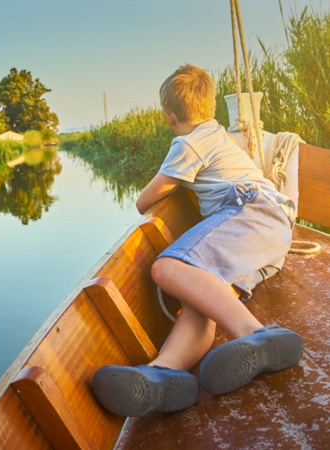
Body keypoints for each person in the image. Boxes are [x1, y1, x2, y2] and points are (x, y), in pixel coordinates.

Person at [92, 64, 304, 417]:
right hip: (272, 229)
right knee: (202, 301)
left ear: (169, 116)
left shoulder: (188, 142)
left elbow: (144, 200)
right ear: (210, 107)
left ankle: (256, 333)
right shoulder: (218, 133)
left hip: (251, 211)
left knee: (168, 266)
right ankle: (164, 373)